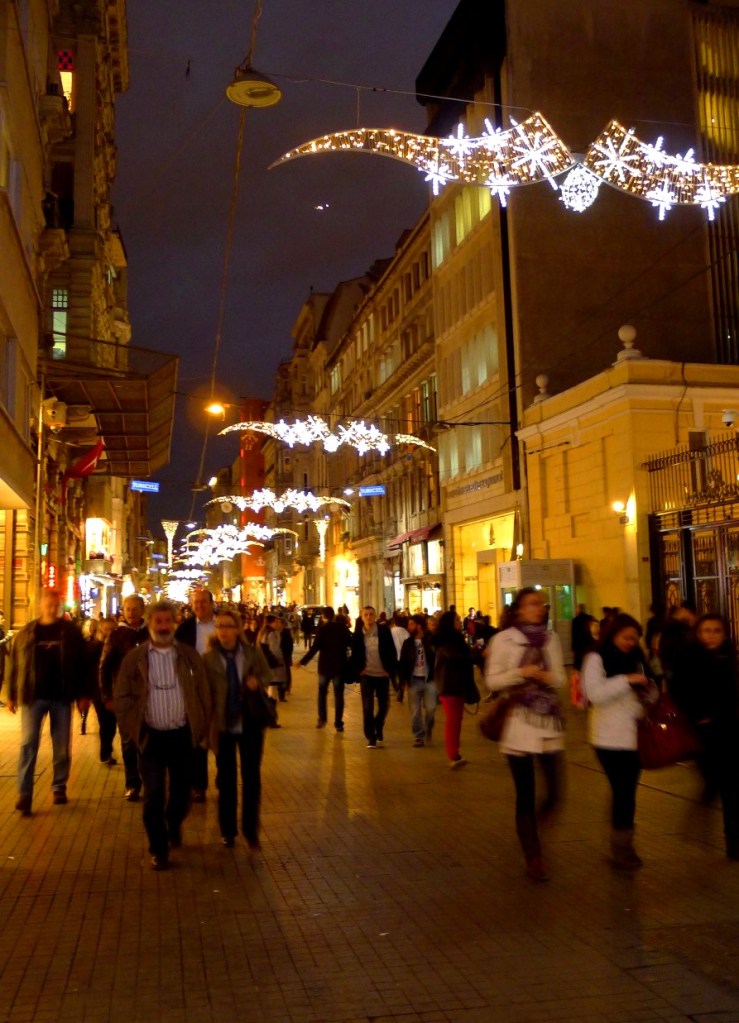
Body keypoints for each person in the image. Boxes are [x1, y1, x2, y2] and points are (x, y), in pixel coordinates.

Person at [114, 599, 210, 870]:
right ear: (150, 623)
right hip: (151, 736)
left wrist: (201, 725)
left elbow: (203, 691)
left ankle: (173, 822)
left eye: (168, 621)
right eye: (159, 621)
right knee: (153, 793)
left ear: (175, 623)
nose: (164, 626)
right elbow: (122, 696)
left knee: (181, 793)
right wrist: (131, 729)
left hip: (181, 734)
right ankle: (158, 847)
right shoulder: (135, 658)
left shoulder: (189, 656)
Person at [485, 587, 566, 882]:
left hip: (548, 721)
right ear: (518, 609)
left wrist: (547, 676)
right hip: (518, 722)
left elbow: (559, 676)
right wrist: (522, 673)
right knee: (526, 793)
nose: (539, 608)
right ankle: (533, 855)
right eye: (532, 604)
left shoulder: (551, 638)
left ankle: (533, 830)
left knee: (556, 793)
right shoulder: (504, 639)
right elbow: (491, 680)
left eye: (541, 604)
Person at [581, 613, 657, 870]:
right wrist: (626, 680)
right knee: (622, 790)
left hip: (635, 736)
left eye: (634, 639)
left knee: (628, 793)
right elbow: (594, 694)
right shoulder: (596, 658)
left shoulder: (636, 659)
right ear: (613, 634)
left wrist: (648, 689)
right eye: (626, 637)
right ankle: (621, 848)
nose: (630, 642)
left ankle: (623, 843)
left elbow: (651, 691)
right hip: (608, 738)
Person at [7, 588, 87, 814]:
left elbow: (82, 664)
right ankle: (24, 793)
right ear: (41, 605)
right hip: (33, 696)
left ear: (59, 606)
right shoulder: (27, 632)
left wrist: (83, 694)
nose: (52, 608)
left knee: (61, 745)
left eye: (55, 604)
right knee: (27, 744)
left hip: (62, 696)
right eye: (48, 604)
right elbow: (15, 664)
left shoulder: (70, 632)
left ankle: (59, 786)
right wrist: (12, 694)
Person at [202, 609, 273, 850]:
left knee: (252, 776)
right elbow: (204, 692)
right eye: (219, 626)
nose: (223, 631)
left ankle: (251, 829)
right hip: (223, 724)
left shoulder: (251, 653)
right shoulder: (209, 659)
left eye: (228, 626)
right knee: (227, 779)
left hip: (250, 722)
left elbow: (267, 674)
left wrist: (257, 682)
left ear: (237, 629)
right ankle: (228, 830)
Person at [670, 613, 739, 857]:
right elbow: (677, 691)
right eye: (706, 630)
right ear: (698, 633)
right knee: (713, 781)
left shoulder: (728, 656)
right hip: (703, 732)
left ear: (725, 633)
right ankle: (699, 817)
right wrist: (699, 714)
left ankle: (733, 840)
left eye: (716, 631)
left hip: (729, 729)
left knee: (731, 786)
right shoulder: (691, 657)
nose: (710, 636)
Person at [100, 594, 149, 801]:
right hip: (125, 696)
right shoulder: (117, 635)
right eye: (128, 609)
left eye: (135, 608)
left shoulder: (151, 632)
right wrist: (107, 696)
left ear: (142, 610)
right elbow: (104, 667)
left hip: (149, 696)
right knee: (128, 741)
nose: (131, 613)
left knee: (147, 740)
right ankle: (132, 783)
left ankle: (150, 781)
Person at [175, 588, 217, 802]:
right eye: (196, 602)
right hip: (195, 688)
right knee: (198, 736)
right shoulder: (185, 628)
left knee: (222, 735)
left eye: (203, 602)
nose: (200, 606)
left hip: (220, 686)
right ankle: (199, 785)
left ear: (211, 603)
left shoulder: (222, 624)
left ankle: (224, 778)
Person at [350, 606, 397, 748]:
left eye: (371, 614)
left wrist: (390, 670)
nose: (369, 617)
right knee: (367, 706)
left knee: (384, 705)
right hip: (367, 676)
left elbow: (391, 651)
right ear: (361, 616)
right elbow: (355, 656)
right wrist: (359, 671)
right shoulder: (358, 634)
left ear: (375, 616)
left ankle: (378, 724)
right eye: (366, 615)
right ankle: (371, 736)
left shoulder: (384, 631)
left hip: (382, 674)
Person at [299, 606, 350, 732]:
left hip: (325, 667)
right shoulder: (342, 628)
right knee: (339, 695)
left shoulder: (322, 629)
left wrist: (302, 662)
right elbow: (351, 642)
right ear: (333, 615)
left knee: (322, 693)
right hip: (339, 666)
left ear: (323, 616)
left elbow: (315, 648)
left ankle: (322, 719)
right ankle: (338, 723)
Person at [433, 610, 473, 766]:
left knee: (457, 720)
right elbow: (456, 657)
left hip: (458, 684)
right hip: (448, 685)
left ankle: (455, 753)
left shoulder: (456, 638)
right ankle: (452, 754)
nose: (459, 622)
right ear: (449, 622)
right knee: (453, 720)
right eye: (456, 619)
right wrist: (477, 655)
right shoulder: (445, 640)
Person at [399, 614, 437, 747]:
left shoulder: (430, 640)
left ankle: (429, 727)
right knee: (415, 711)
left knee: (431, 710)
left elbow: (437, 658)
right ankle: (419, 736)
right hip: (414, 680)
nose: (409, 627)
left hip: (429, 680)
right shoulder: (407, 643)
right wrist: (402, 682)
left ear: (419, 626)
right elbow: (403, 663)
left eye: (411, 624)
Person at [258, 613, 287, 724]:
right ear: (271, 623)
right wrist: (280, 662)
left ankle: (270, 718)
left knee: (270, 692)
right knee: (272, 693)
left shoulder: (264, 632)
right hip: (273, 667)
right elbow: (275, 650)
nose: (278, 623)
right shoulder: (271, 634)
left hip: (267, 666)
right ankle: (271, 719)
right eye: (276, 621)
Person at [389, 612, 410, 702]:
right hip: (403, 658)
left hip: (393, 657)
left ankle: (397, 688)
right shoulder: (405, 632)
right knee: (401, 676)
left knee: (393, 674)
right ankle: (400, 691)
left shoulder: (391, 631)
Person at [571, 604, 597, 670]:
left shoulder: (575, 620)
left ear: (579, 609)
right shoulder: (589, 618)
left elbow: (574, 633)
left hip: (578, 643)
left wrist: (573, 645)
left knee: (579, 663)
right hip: (588, 642)